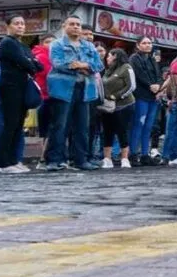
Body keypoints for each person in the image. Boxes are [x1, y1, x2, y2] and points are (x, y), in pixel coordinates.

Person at [46, 16, 104, 171]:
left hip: (85, 89)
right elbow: (58, 63)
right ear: (64, 26)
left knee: (82, 126)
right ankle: (54, 160)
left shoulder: (89, 46)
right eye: (72, 24)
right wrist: (82, 68)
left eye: (78, 25)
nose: (76, 27)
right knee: (60, 125)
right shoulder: (57, 44)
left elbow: (99, 65)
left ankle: (81, 160)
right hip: (63, 89)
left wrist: (84, 64)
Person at [0, 15, 42, 172]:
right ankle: (2, 162)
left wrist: (29, 62)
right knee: (10, 124)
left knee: (18, 126)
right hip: (10, 87)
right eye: (17, 24)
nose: (20, 26)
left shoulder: (22, 45)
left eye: (22, 24)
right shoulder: (7, 43)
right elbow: (27, 64)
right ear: (8, 26)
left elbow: (38, 65)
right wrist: (29, 62)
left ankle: (14, 159)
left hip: (22, 87)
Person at [99, 48, 135, 169]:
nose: (107, 58)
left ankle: (125, 158)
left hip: (124, 104)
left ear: (115, 56)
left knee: (122, 130)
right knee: (107, 131)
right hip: (108, 106)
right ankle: (107, 158)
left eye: (109, 56)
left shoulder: (126, 68)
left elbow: (131, 86)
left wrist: (117, 96)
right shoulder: (107, 71)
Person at [129, 37, 162, 166]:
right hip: (141, 95)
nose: (147, 45)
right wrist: (150, 85)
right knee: (138, 125)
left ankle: (144, 154)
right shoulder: (134, 58)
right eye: (144, 43)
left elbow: (158, 75)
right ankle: (133, 154)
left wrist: (158, 85)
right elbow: (139, 74)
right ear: (138, 45)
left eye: (149, 43)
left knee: (148, 126)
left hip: (153, 97)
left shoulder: (152, 59)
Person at [31, 36, 53, 163]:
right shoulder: (39, 56)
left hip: (54, 95)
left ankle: (44, 155)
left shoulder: (56, 56)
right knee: (45, 128)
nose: (50, 45)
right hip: (43, 95)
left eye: (52, 42)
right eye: (47, 42)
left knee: (49, 127)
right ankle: (43, 156)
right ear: (41, 44)